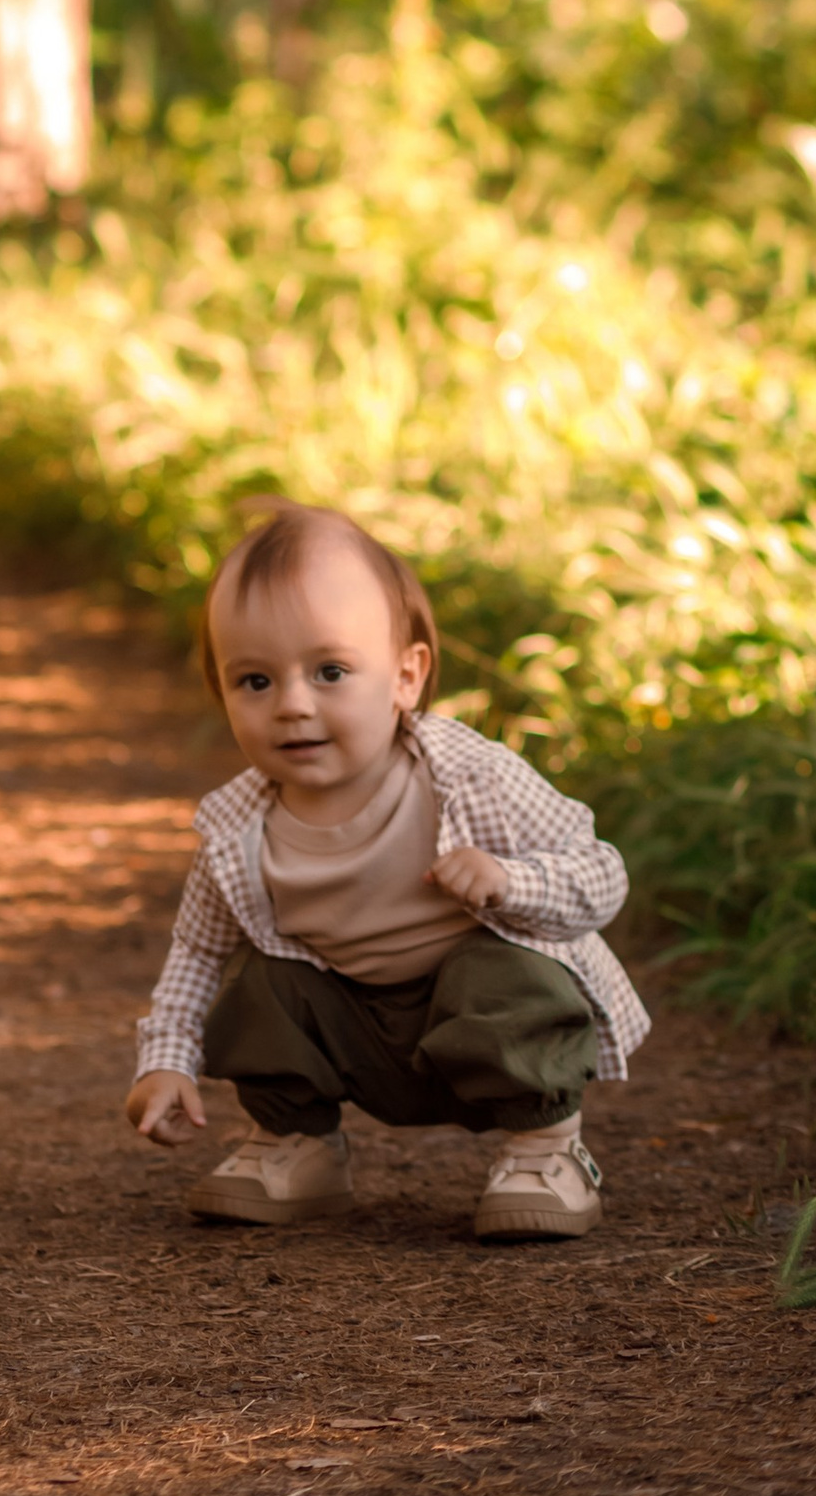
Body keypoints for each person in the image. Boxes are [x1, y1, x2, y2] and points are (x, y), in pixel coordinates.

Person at [125, 503, 647, 1241]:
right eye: (255, 681)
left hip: (484, 1028)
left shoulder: (469, 778)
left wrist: (510, 881)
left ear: (406, 677)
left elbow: (602, 874)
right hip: (354, 1031)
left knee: (503, 970)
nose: (292, 705)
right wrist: (166, 1063)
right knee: (260, 982)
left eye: (330, 672)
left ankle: (545, 1151)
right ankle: (297, 1143)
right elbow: (197, 956)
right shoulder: (235, 827)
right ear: (222, 691)